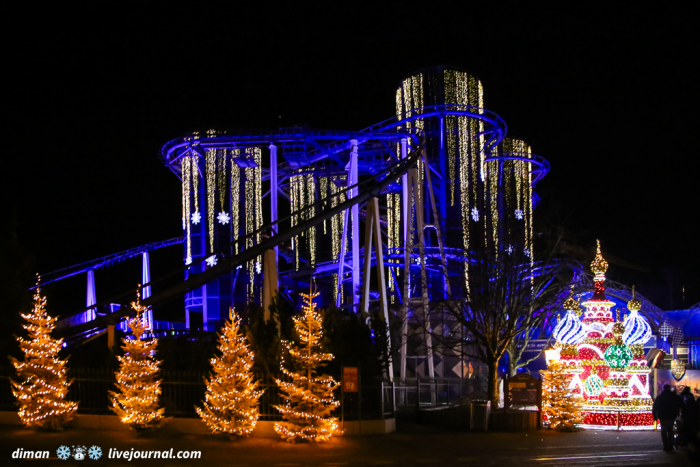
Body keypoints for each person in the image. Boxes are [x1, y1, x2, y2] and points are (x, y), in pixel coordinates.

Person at [653, 384, 682, 451]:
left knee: (664, 431)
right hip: (672, 416)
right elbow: (680, 403)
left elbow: (655, 407)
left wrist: (655, 417)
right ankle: (671, 444)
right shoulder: (674, 396)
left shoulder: (660, 397)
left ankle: (666, 445)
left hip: (663, 416)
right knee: (671, 430)